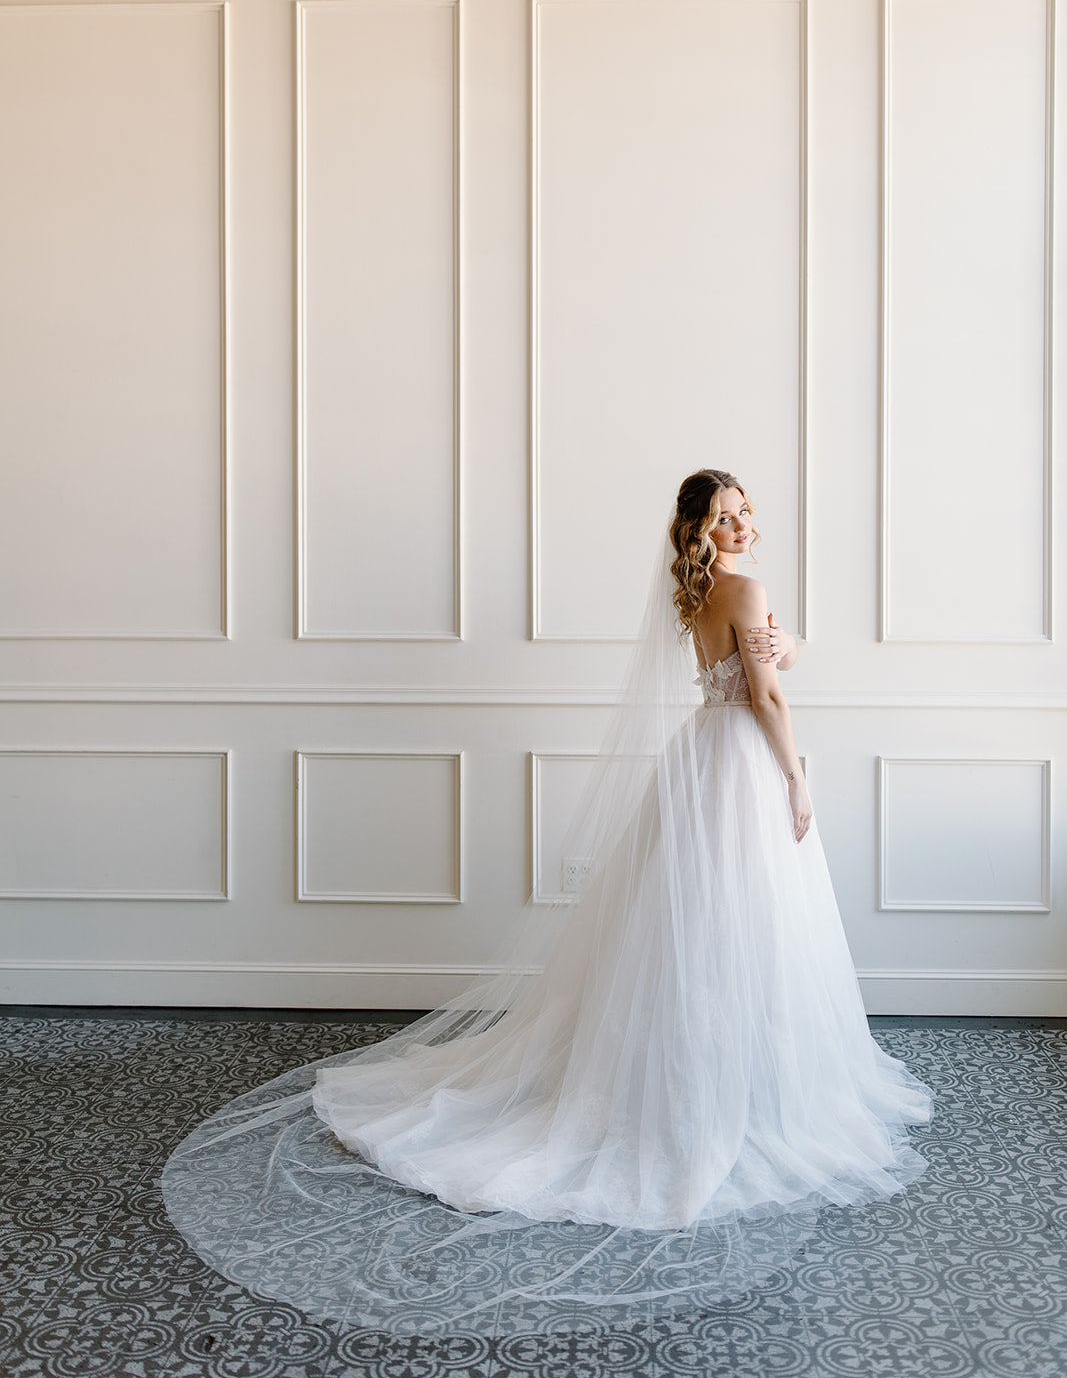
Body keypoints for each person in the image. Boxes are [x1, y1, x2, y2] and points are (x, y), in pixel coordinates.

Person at [161, 468, 933, 1336]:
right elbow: (762, 697)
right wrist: (795, 776)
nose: (744, 524)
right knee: (736, 923)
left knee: (687, 928)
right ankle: (731, 1093)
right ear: (701, 529)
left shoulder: (697, 590)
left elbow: (743, 667)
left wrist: (778, 652)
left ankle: (689, 1076)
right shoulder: (744, 586)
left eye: (745, 510)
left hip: (700, 761)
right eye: (727, 516)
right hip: (743, 765)